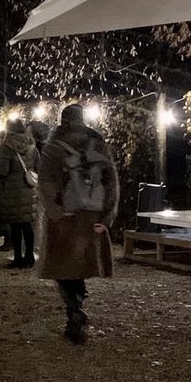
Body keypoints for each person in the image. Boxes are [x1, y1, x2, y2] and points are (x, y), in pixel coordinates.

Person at [36, 104, 120, 343]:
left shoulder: (53, 147)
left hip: (65, 217)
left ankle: (73, 309)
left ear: (62, 120)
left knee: (60, 268)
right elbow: (111, 179)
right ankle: (78, 305)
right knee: (81, 267)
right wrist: (107, 216)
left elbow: (47, 183)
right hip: (91, 216)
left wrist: (55, 211)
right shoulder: (98, 143)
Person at [0, 118, 38, 269]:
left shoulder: (7, 146)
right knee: (27, 225)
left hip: (12, 189)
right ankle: (29, 256)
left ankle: (18, 257)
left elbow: (3, 171)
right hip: (28, 187)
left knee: (16, 226)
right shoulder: (31, 144)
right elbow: (38, 165)